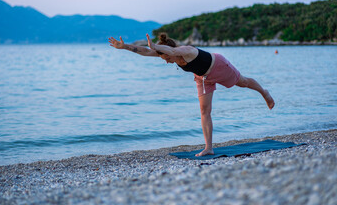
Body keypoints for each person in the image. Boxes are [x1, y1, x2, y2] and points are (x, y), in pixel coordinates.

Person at [109, 33, 275, 156]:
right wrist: (124, 47)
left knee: (243, 82)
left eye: (165, 57)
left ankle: (264, 92)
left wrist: (157, 47)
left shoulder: (186, 51)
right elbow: (145, 52)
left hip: (218, 66)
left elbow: (171, 52)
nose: (166, 61)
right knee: (204, 111)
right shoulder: (166, 53)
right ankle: (208, 147)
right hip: (202, 77)